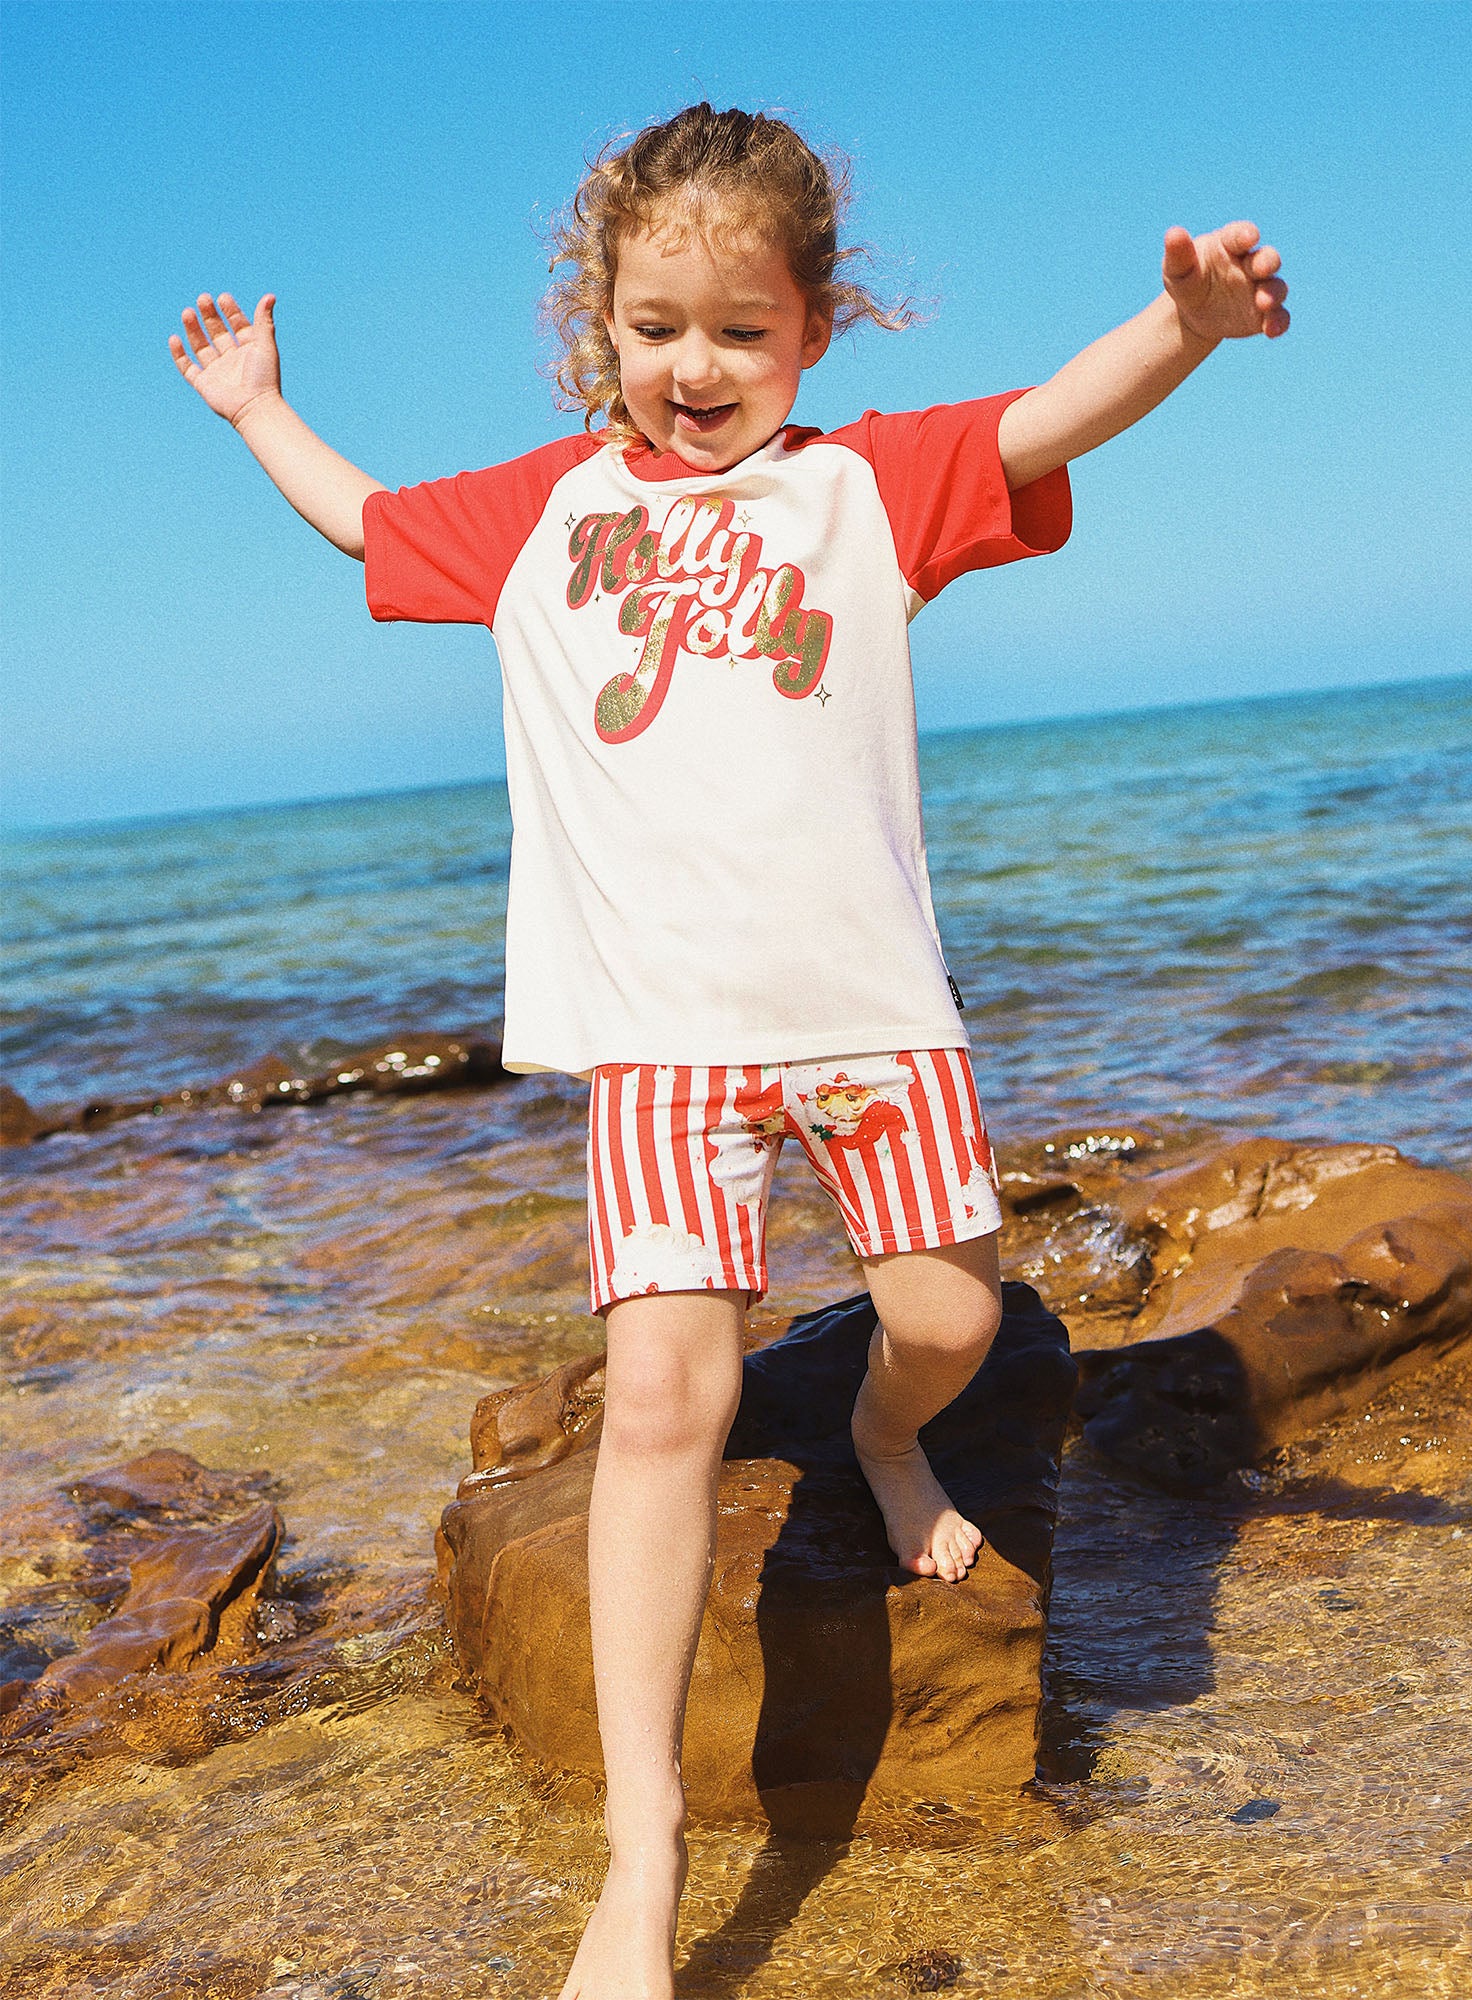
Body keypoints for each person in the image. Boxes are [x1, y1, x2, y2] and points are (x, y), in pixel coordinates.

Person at [169, 100, 1288, 2000]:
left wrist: (1183, 329)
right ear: (598, 325)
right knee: (668, 1404)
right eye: (656, 328)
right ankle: (643, 1857)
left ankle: (879, 1438)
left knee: (944, 1319)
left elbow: (1041, 422)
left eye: (742, 333)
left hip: (872, 1015)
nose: (698, 371)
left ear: (814, 327)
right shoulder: (540, 515)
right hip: (664, 1042)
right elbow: (365, 519)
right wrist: (256, 405)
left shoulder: (865, 490)